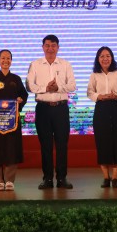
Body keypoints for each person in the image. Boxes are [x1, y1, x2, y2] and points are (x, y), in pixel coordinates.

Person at [27, 34, 76, 189]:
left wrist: (58, 88)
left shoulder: (65, 64)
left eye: (53, 45)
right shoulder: (35, 64)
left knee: (62, 144)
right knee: (45, 145)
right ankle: (47, 179)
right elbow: (30, 86)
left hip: (61, 108)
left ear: (58, 47)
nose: (50, 48)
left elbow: (72, 85)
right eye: (47, 45)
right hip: (43, 109)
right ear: (43, 47)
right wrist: (46, 88)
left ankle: (62, 178)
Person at [0, 49, 29, 191]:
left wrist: (20, 100)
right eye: (3, 58)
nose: (5, 61)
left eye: (8, 58)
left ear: (11, 61)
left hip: (12, 120)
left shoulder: (16, 79)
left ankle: (9, 180)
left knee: (11, 147)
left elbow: (24, 95)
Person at [87, 46, 117, 188]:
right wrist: (100, 96)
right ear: (98, 59)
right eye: (102, 56)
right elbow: (90, 92)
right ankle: (106, 177)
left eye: (108, 56)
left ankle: (115, 178)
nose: (105, 58)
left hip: (115, 107)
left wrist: (116, 95)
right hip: (101, 108)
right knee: (102, 141)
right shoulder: (94, 74)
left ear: (112, 58)